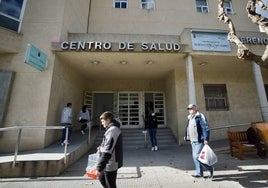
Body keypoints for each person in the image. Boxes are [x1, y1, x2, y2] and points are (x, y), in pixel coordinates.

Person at [93, 111, 123, 188]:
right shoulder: (111, 129)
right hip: (107, 162)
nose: (102, 123)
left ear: (108, 120)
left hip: (111, 163)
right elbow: (108, 145)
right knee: (102, 179)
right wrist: (101, 148)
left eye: (103, 121)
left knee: (110, 185)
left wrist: (99, 168)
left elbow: (108, 150)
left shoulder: (113, 130)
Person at [184, 104, 214, 179]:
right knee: (195, 157)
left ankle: (210, 168)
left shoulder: (200, 116)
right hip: (192, 141)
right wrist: (186, 136)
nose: (190, 110)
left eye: (191, 108)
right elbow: (188, 127)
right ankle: (199, 173)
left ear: (195, 108)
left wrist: (206, 138)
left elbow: (205, 128)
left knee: (197, 156)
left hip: (199, 140)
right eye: (189, 109)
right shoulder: (190, 117)